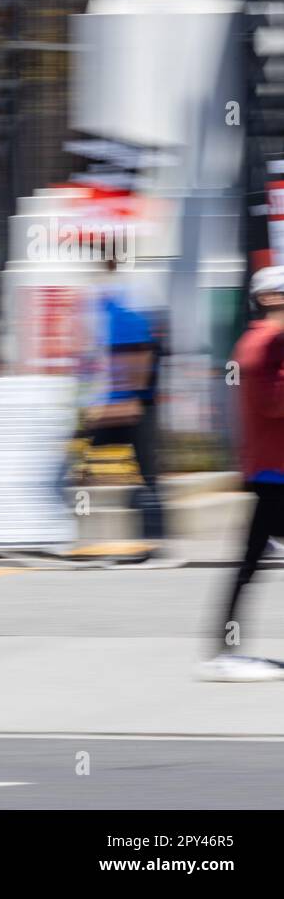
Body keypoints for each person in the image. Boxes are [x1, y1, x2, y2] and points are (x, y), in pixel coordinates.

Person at [200, 267, 284, 681]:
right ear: (270, 298)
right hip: (273, 472)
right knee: (249, 563)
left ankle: (223, 650)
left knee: (249, 562)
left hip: (273, 471)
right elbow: (271, 404)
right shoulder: (261, 343)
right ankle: (222, 653)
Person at [82, 257, 172, 564]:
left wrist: (129, 398)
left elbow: (139, 351)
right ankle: (149, 542)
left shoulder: (125, 299)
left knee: (145, 472)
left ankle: (152, 543)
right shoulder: (111, 297)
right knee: (141, 470)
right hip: (124, 398)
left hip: (132, 401)